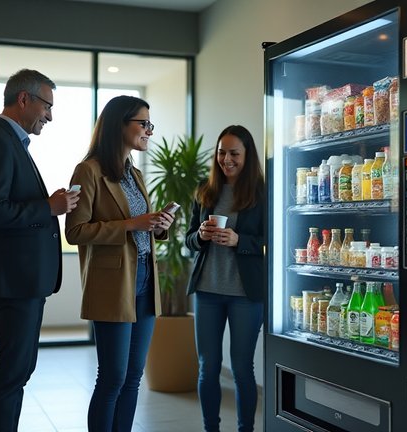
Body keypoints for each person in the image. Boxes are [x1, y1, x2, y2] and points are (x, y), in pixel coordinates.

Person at [0, 68, 80, 432]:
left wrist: (51, 204)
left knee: (17, 371)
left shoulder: (11, 142)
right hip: (14, 281)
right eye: (47, 105)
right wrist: (48, 208)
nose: (49, 115)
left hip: (22, 280)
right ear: (24, 99)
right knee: (12, 373)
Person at [64, 95, 174, 432]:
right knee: (112, 377)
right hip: (112, 284)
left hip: (143, 278)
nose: (149, 131)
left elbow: (141, 227)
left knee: (132, 377)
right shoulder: (88, 170)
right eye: (144, 124)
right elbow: (75, 231)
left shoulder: (135, 173)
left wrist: (159, 226)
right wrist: (131, 225)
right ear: (119, 125)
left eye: (149, 124)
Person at [185, 125, 266, 432]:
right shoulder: (205, 190)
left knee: (243, 369)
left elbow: (272, 243)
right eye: (222, 153)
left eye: (234, 153)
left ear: (247, 155)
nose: (227, 160)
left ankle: (245, 428)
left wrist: (239, 241)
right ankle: (211, 429)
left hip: (246, 294)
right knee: (208, 368)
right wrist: (200, 236)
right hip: (207, 290)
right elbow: (188, 238)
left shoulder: (261, 192)